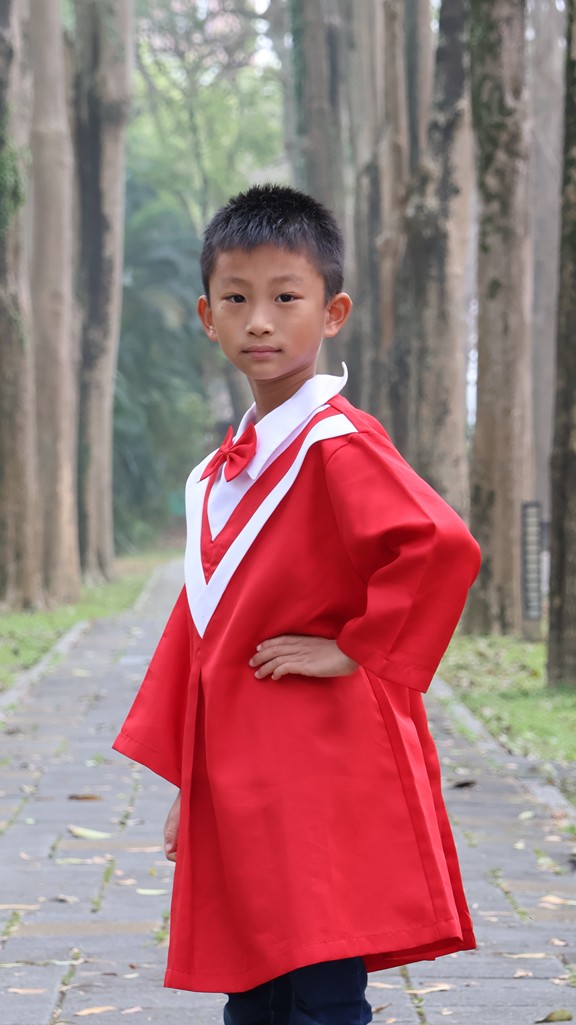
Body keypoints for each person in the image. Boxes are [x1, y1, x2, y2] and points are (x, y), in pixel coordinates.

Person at [113, 183, 481, 1025]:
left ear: (332, 311)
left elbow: (439, 545)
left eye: (286, 298)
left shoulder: (337, 446)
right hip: (244, 770)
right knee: (253, 985)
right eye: (236, 299)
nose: (260, 322)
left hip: (320, 762)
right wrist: (194, 785)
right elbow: (204, 630)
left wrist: (356, 646)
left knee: (320, 983)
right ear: (207, 317)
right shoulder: (222, 474)